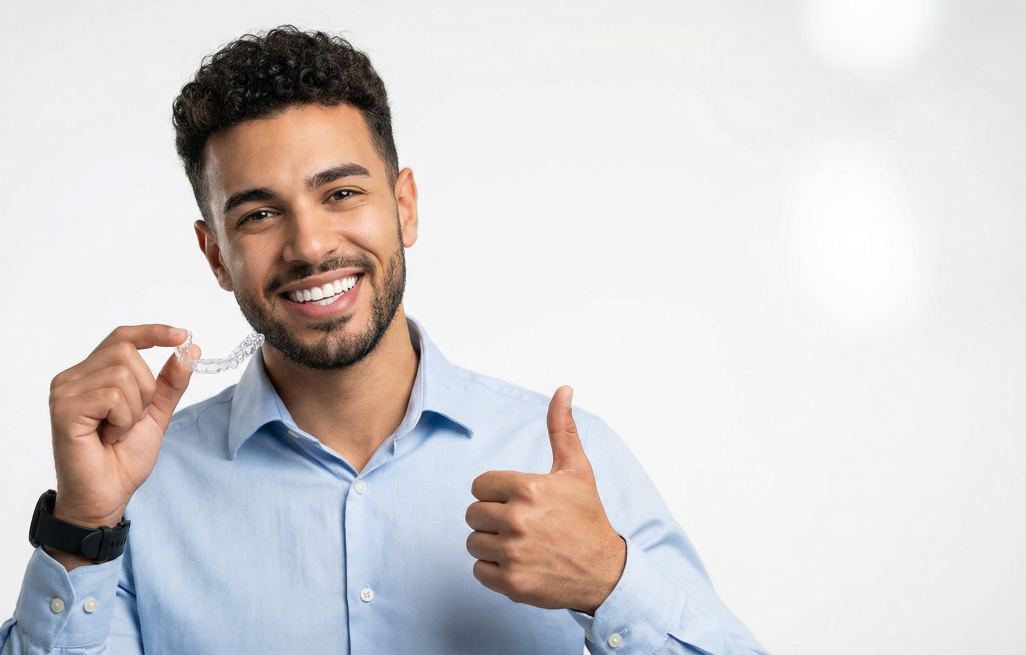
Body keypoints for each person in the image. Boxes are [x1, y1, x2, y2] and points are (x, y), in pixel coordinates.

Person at [1, 26, 766, 655]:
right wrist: (82, 529)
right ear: (215, 256)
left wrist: (609, 578)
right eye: (260, 215)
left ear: (404, 206)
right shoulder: (139, 496)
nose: (309, 244)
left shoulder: (566, 462)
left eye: (341, 193)